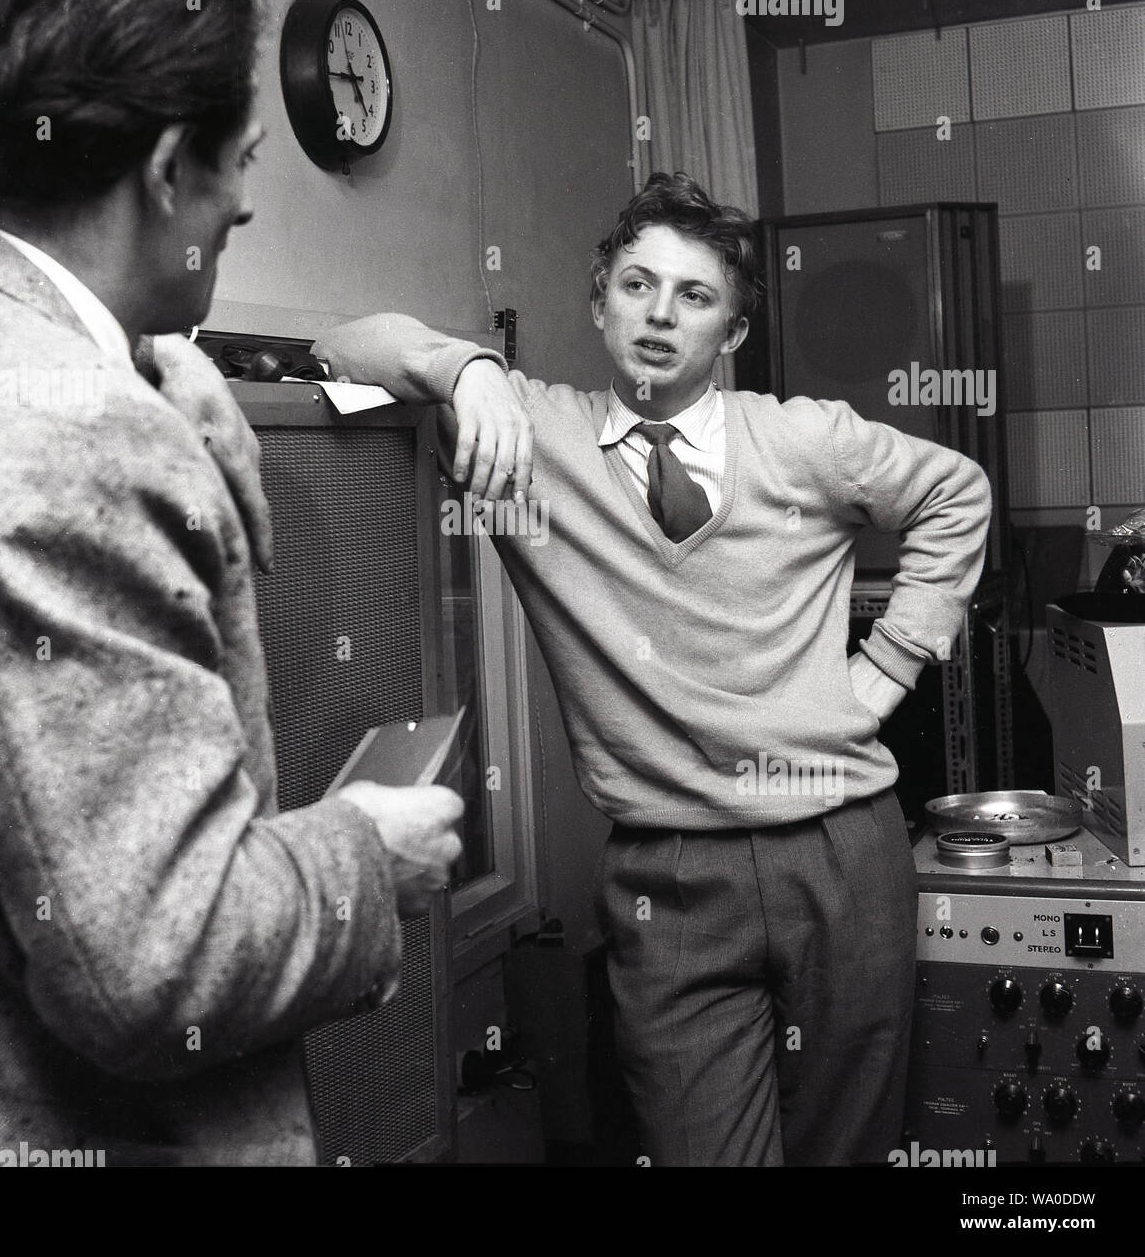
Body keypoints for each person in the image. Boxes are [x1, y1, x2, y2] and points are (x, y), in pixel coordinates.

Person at [0, 0, 465, 1166]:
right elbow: (154, 964)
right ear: (169, 167)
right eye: (239, 163)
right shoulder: (74, 439)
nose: (242, 203)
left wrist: (145, 372)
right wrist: (362, 858)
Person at [312, 172, 993, 1166]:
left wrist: (883, 670)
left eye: (694, 295)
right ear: (598, 304)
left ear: (733, 333)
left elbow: (956, 492)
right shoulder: (528, 437)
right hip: (667, 876)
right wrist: (464, 369)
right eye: (636, 285)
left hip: (842, 851)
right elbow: (338, 345)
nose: (658, 315)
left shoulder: (804, 439)